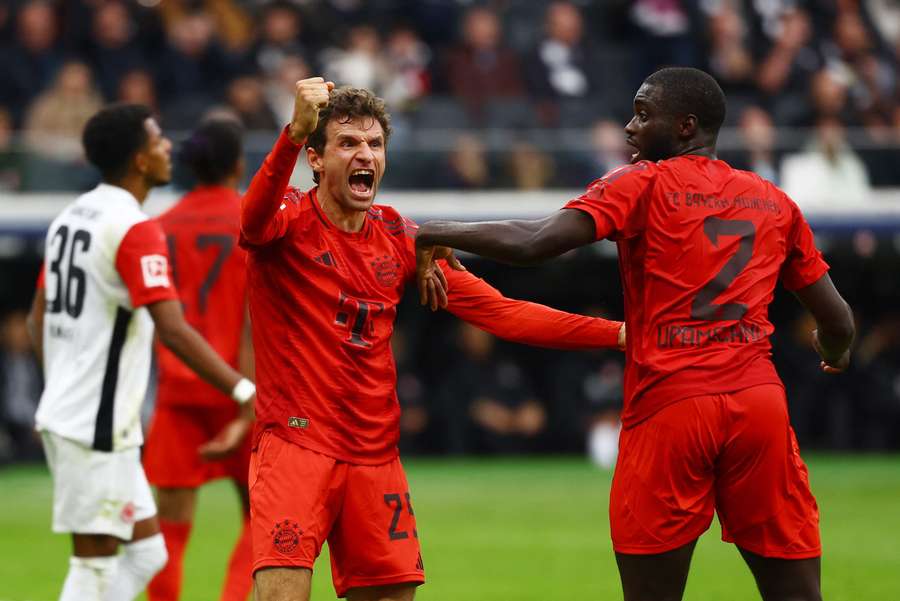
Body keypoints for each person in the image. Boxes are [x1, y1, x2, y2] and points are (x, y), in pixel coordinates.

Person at [414, 67, 855, 601]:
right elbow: (839, 321)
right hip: (758, 403)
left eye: (643, 115)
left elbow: (536, 241)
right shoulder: (773, 200)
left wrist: (427, 231)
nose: (629, 127)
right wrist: (833, 352)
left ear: (686, 126)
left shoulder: (641, 182)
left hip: (671, 404)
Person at [240, 78, 626, 601]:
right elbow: (251, 223)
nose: (365, 155)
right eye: (348, 143)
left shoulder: (400, 237)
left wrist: (621, 333)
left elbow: (504, 315)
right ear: (315, 158)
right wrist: (291, 133)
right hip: (296, 447)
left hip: (375, 458)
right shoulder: (286, 221)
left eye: (375, 144)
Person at [27, 103, 257, 601]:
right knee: (91, 566)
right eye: (156, 140)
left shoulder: (71, 217)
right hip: (97, 425)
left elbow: (35, 317)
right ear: (138, 159)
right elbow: (171, 329)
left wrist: (63, 386)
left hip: (102, 416)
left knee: (149, 553)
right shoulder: (134, 228)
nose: (167, 146)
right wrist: (244, 388)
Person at [143, 118, 254, 601]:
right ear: (238, 164)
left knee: (167, 531)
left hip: (177, 388)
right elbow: (254, 324)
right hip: (241, 387)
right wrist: (250, 397)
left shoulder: (156, 228)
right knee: (264, 519)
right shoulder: (253, 220)